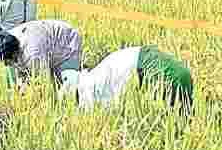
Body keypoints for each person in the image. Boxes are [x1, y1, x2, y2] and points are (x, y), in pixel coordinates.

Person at [59, 45, 194, 113]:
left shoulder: (91, 89)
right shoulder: (99, 69)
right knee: (183, 116)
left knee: (173, 121)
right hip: (154, 58)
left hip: (149, 69)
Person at [0, 19, 83, 86]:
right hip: (46, 42)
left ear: (14, 54)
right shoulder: (7, 39)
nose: (6, 64)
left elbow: (44, 82)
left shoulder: (33, 54)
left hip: (67, 43)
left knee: (67, 85)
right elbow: (22, 72)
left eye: (7, 61)